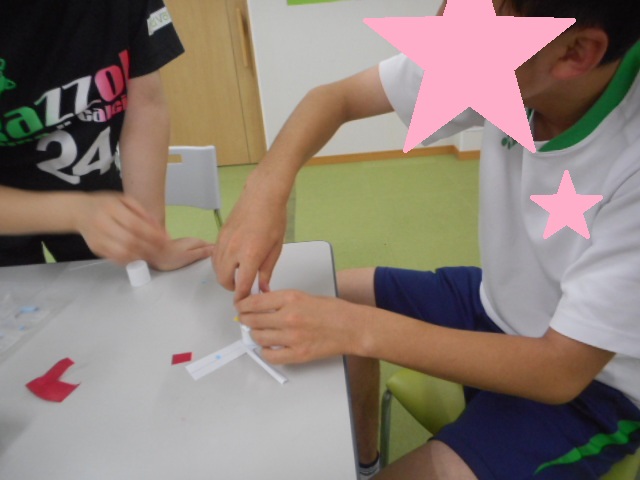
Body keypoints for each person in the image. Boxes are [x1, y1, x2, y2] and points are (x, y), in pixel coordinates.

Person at [214, 0, 640, 478]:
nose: (443, 24)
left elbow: (561, 371)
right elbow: (334, 98)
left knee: (342, 318)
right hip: (498, 301)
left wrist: (358, 329)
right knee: (327, 294)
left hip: (593, 385)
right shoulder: (511, 60)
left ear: (576, 52)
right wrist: (265, 187)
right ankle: (364, 463)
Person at [0, 0, 212, 270]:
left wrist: (149, 237)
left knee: (118, 284)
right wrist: (75, 212)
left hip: (93, 185)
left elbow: (145, 105)